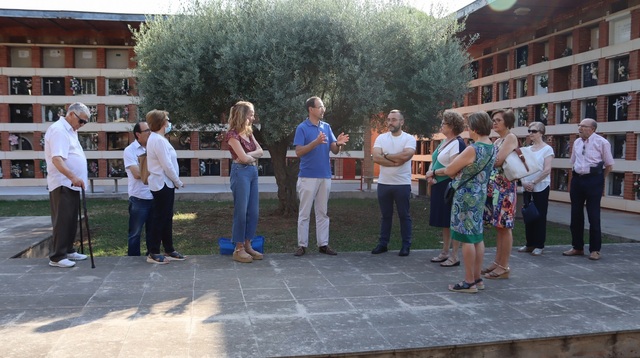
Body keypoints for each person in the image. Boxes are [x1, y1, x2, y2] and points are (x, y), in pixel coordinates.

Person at [438, 111, 495, 293]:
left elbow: (450, 170)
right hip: (480, 196)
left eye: (470, 127)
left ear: (476, 128)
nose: (468, 130)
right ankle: (477, 279)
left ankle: (468, 281)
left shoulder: (473, 148)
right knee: (477, 237)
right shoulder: (492, 147)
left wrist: (450, 171)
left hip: (465, 197)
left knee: (466, 238)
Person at [293, 96, 349, 256]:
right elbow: (298, 152)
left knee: (322, 212)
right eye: (320, 107)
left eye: (323, 106)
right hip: (308, 176)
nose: (323, 109)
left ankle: (323, 244)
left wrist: (338, 143)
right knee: (304, 212)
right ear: (311, 109)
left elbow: (334, 149)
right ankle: (302, 245)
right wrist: (315, 143)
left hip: (325, 176)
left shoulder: (326, 126)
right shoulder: (302, 128)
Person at [44, 102, 90, 268]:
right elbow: (57, 159)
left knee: (71, 219)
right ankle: (57, 256)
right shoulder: (59, 130)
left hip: (71, 184)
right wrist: (73, 176)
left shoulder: (71, 130)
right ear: (71, 114)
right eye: (81, 121)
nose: (82, 125)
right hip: (63, 182)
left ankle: (68, 250)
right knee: (62, 220)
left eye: (85, 122)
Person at [564, 118, 614, 261]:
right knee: (576, 215)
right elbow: (573, 162)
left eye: (583, 126)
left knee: (593, 215)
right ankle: (577, 247)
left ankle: (595, 250)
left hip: (594, 180)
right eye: (579, 126)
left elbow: (609, 165)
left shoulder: (602, 142)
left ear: (592, 129)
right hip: (578, 180)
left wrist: (599, 180)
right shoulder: (577, 142)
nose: (580, 128)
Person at [370, 110, 416, 256]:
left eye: (394, 120)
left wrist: (387, 155)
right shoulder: (381, 138)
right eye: (389, 120)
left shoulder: (408, 138)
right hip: (384, 183)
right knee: (385, 216)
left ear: (402, 122)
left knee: (404, 215)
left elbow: (406, 155)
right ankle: (383, 244)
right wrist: (394, 162)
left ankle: (406, 246)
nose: (390, 122)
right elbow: (376, 157)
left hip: (402, 184)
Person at [224, 101, 264, 263]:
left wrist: (250, 157)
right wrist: (251, 156)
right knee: (241, 211)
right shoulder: (232, 135)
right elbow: (243, 158)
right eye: (251, 114)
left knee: (253, 211)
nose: (253, 118)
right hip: (240, 173)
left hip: (252, 172)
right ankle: (238, 248)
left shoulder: (249, 132)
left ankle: (248, 244)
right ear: (243, 115)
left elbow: (260, 151)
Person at [145, 110, 186, 264]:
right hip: (162, 184)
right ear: (162, 122)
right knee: (159, 218)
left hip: (166, 184)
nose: (169, 122)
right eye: (167, 119)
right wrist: (178, 181)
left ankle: (169, 249)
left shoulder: (159, 139)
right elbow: (167, 165)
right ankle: (153, 252)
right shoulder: (158, 140)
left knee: (166, 218)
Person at [426, 111, 466, 266]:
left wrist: (434, 172)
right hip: (438, 185)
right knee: (444, 221)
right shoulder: (445, 142)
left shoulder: (458, 143)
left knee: (452, 220)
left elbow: (454, 168)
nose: (441, 126)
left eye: (444, 123)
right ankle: (444, 252)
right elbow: (435, 159)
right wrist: (430, 175)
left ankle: (454, 256)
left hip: (449, 186)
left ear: (452, 126)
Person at [482, 109, 518, 280]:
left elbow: (497, 161)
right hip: (496, 188)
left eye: (498, 120)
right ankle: (497, 262)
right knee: (499, 227)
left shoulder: (510, 138)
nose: (494, 123)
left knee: (505, 227)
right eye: (493, 120)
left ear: (507, 122)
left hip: (505, 189)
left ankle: (504, 266)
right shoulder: (498, 140)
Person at [518, 122, 554, 256]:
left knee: (539, 215)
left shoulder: (547, 149)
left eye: (533, 131)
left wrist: (533, 182)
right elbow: (521, 168)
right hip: (527, 186)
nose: (530, 134)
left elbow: (547, 170)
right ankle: (529, 243)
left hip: (541, 186)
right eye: (529, 131)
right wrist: (524, 182)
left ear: (541, 133)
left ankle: (539, 245)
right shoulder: (526, 149)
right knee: (528, 215)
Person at [123, 121, 153, 256]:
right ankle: (133, 260)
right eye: (146, 131)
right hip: (139, 198)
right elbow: (137, 174)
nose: (150, 133)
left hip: (154, 196)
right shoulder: (130, 151)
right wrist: (156, 173)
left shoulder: (153, 148)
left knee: (153, 231)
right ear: (138, 134)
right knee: (135, 232)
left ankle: (152, 254)